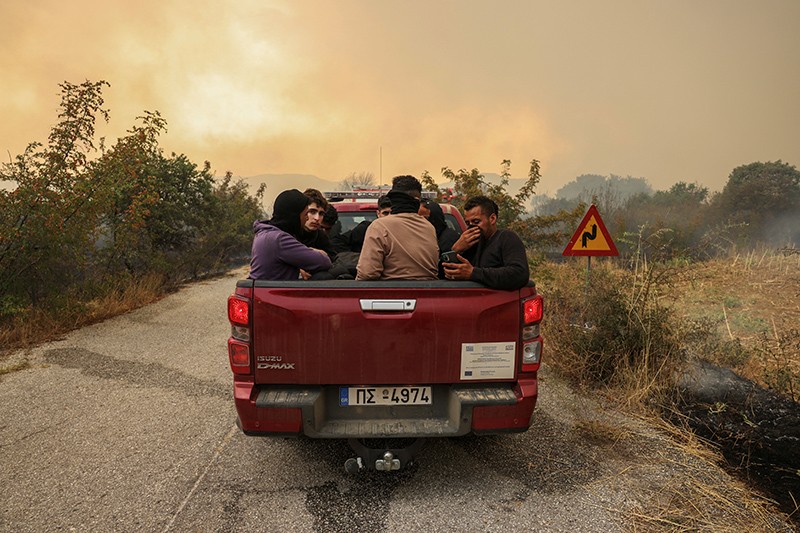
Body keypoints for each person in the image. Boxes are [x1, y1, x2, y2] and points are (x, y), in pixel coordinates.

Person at [356, 176, 438, 281]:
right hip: (429, 292)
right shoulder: (429, 227)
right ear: (417, 200)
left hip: (392, 294)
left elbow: (367, 273)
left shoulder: (379, 226)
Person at [442, 195, 530, 290]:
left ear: (492, 219)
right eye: (468, 223)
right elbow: (445, 274)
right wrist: (455, 250)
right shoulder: (469, 245)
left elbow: (519, 273)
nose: (472, 227)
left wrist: (473, 273)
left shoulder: (505, 238)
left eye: (476, 222)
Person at [249, 189, 332, 280]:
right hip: (271, 293)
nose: (307, 219)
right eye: (305, 215)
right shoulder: (279, 239)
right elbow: (324, 262)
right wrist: (313, 251)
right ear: (294, 217)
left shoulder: (265, 233)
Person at [299, 188, 337, 261]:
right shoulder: (288, 234)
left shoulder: (320, 236)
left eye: (321, 214)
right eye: (312, 212)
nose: (317, 218)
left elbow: (333, 260)